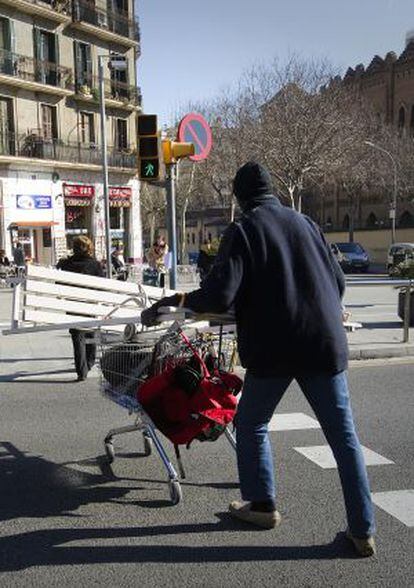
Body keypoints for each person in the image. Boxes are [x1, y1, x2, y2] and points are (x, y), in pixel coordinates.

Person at [141, 161, 376, 557]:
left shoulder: (244, 229)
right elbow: (338, 283)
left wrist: (176, 300)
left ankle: (262, 504)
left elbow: (219, 296)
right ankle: (362, 531)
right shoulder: (307, 224)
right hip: (323, 343)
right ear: (273, 192)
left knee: (251, 423)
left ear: (240, 197)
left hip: (275, 350)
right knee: (344, 438)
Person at [57, 236, 104, 382]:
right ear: (89, 248)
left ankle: (81, 371)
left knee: (78, 337)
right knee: (91, 334)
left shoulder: (66, 264)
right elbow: (102, 288)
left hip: (73, 307)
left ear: (74, 247)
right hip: (90, 308)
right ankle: (89, 363)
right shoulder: (95, 265)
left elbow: (58, 284)